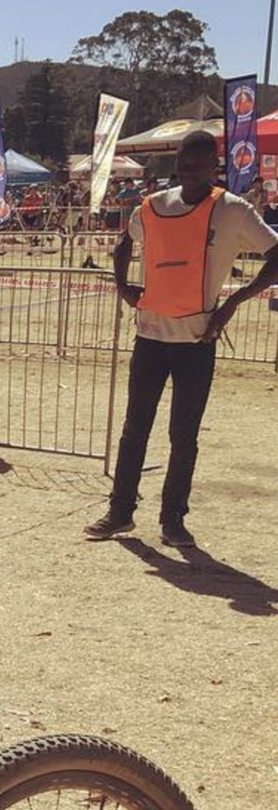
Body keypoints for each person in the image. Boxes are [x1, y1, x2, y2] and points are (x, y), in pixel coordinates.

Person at [85, 131, 278, 549]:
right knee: (134, 428)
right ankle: (120, 513)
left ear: (215, 166)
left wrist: (233, 303)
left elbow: (275, 256)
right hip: (150, 337)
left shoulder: (233, 210)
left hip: (197, 342)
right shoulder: (154, 206)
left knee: (182, 435)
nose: (188, 174)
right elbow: (123, 245)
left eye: (197, 166)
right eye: (182, 166)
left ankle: (173, 520)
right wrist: (123, 287)